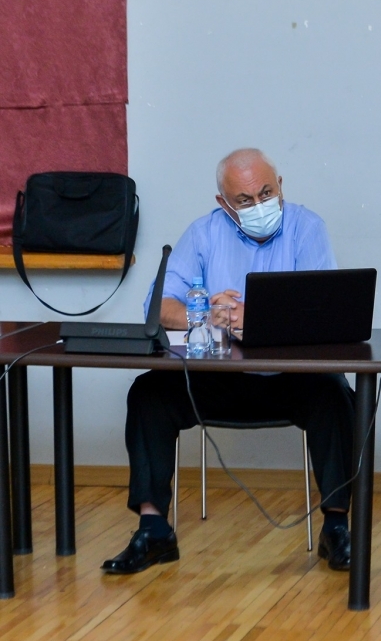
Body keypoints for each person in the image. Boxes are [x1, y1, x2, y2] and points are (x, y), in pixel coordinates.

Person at [102, 149, 356, 574]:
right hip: (217, 376)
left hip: (290, 380)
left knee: (335, 395)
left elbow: (322, 311)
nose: (259, 205)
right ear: (224, 203)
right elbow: (157, 307)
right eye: (244, 200)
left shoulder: (307, 227)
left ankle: (336, 527)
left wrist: (255, 318)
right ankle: (153, 529)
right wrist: (206, 315)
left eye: (266, 193)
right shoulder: (203, 233)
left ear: (280, 186)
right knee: (148, 393)